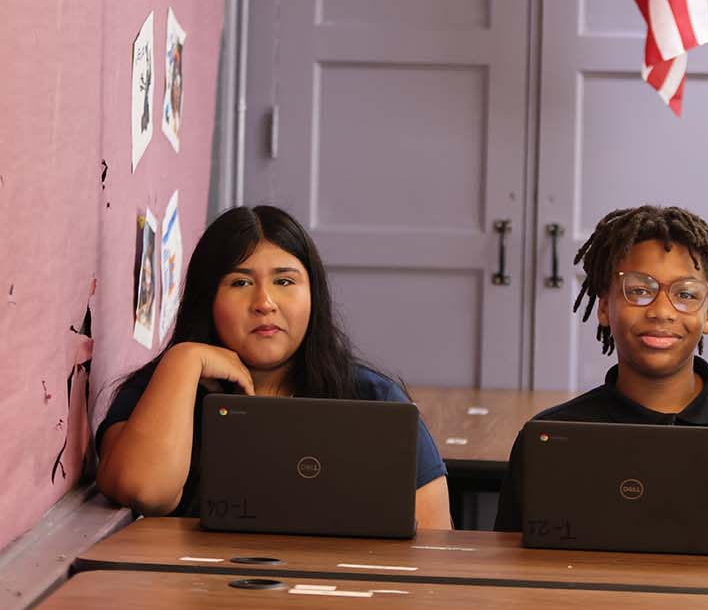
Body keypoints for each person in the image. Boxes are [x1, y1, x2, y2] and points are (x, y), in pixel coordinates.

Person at [494, 205, 708, 544]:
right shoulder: (552, 438)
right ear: (603, 307)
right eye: (639, 290)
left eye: (686, 294)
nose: (661, 311)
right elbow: (515, 566)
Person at [97, 205, 452, 528]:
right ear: (208, 298)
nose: (264, 303)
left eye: (284, 281)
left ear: (314, 294)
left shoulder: (375, 400)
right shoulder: (160, 389)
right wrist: (186, 359)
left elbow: (434, 548)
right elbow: (145, 491)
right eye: (240, 282)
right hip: (196, 594)